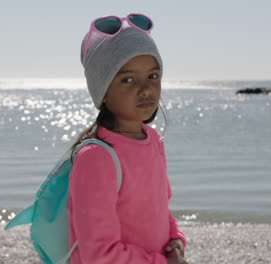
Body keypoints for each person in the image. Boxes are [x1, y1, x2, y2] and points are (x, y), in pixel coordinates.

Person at [67, 13, 188, 264]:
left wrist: (176, 239)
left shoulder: (153, 140)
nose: (145, 89)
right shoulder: (96, 158)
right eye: (128, 79)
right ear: (103, 92)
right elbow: (98, 254)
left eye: (153, 76)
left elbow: (160, 209)